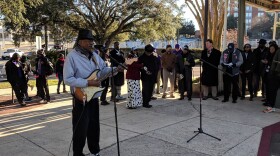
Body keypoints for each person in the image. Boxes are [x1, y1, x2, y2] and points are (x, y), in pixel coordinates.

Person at [64, 29, 114, 156]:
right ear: (80, 42)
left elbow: (102, 70)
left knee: (94, 126)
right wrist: (88, 83)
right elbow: (68, 79)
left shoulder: (95, 56)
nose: (91, 43)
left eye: (92, 41)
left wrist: (115, 69)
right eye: (88, 41)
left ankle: (95, 151)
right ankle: (78, 153)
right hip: (80, 97)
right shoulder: (72, 57)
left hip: (94, 97)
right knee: (80, 128)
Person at [263, 46, 280, 113]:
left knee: (273, 91)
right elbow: (274, 62)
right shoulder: (278, 51)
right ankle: (271, 106)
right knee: (272, 91)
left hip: (276, 74)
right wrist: (272, 73)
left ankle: (271, 106)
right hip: (276, 74)